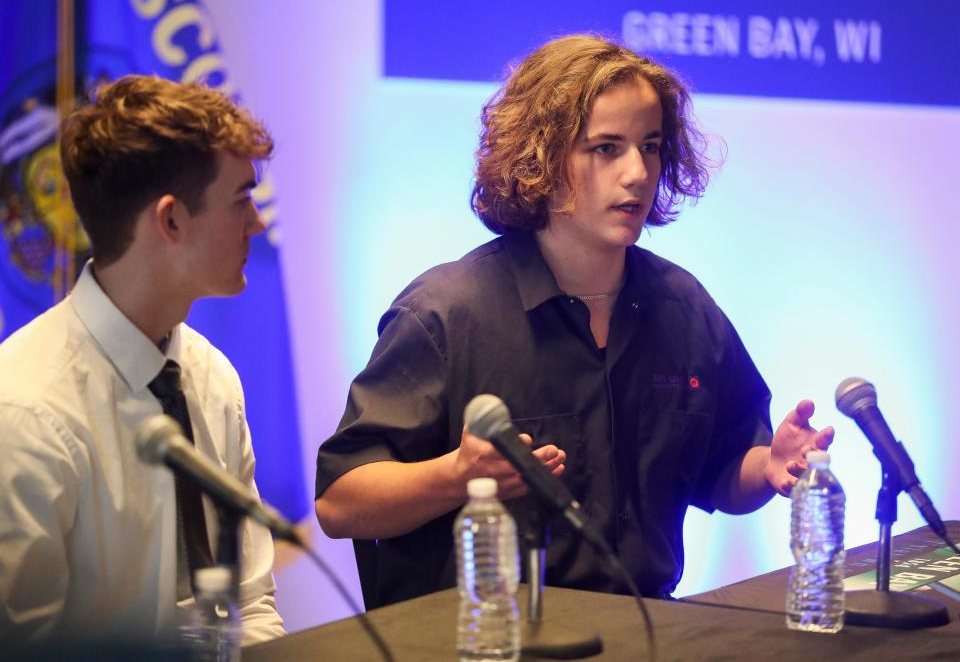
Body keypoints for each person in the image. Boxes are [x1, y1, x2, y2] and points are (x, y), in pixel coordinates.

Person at [315, 34, 834, 609]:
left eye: (652, 145)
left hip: (648, 632)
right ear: (540, 157)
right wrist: (457, 475)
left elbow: (724, 473)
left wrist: (770, 468)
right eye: (607, 148)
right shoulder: (447, 311)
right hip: (485, 642)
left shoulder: (683, 307)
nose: (638, 172)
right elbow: (340, 502)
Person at [0, 75, 285, 644]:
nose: (258, 222)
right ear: (171, 221)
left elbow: (251, 607)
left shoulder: (211, 375)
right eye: (240, 200)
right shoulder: (25, 410)